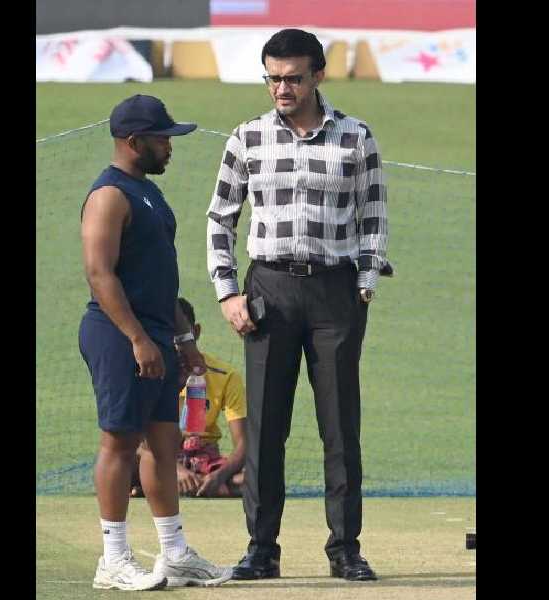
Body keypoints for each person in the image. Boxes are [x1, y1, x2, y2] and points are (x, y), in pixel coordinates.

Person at [205, 29, 392, 582]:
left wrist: (364, 286)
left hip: (336, 294)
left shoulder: (357, 137)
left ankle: (345, 548)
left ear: (318, 76)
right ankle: (261, 550)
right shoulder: (247, 138)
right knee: (265, 427)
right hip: (269, 291)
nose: (280, 88)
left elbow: (374, 216)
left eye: (291, 77)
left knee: (340, 426)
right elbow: (220, 218)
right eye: (272, 78)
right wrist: (227, 291)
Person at [79, 94, 232, 591]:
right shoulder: (109, 196)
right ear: (132, 142)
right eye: (162, 138)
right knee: (120, 442)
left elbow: (159, 278)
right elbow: (100, 275)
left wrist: (184, 339)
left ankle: (175, 554)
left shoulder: (148, 193)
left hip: (156, 337)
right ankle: (113, 560)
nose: (170, 147)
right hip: (118, 333)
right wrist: (138, 339)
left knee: (164, 445)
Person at [132, 297, 247, 499]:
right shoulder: (147, 369)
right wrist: (177, 470)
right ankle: (188, 486)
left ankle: (164, 487)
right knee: (125, 463)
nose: (175, 343)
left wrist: (219, 476)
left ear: (196, 332)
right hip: (159, 456)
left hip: (206, 461)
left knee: (259, 479)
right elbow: (138, 440)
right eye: (166, 333)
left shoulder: (225, 375)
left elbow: (244, 443)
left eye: (181, 335)